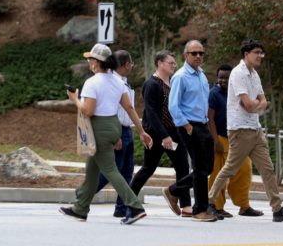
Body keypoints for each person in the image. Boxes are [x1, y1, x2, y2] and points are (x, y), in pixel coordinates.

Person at [59, 44, 152, 224]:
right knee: (92, 170)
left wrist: (74, 99)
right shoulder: (118, 81)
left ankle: (134, 207)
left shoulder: (92, 82)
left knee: (110, 170)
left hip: (98, 128)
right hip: (113, 125)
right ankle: (80, 208)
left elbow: (88, 111)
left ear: (96, 62)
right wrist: (141, 131)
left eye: (90, 59)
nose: (88, 62)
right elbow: (129, 108)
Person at [206, 41, 283, 222]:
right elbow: (248, 104)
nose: (260, 56)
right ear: (246, 54)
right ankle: (209, 203)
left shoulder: (254, 75)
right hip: (240, 130)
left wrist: (257, 105)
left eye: (262, 53)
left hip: (255, 129)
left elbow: (260, 101)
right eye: (257, 52)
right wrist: (258, 105)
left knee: (267, 169)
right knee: (230, 168)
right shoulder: (238, 74)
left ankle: (277, 209)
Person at [128, 50, 192, 217]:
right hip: (157, 134)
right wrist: (164, 136)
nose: (174, 65)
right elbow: (152, 113)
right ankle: (128, 201)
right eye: (170, 62)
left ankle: (186, 206)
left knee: (183, 167)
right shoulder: (152, 84)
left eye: (174, 63)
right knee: (148, 168)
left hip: (174, 132)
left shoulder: (172, 82)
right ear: (160, 63)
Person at [166, 40, 217, 222]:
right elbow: (173, 106)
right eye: (194, 53)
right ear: (185, 55)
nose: (198, 56)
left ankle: (174, 190)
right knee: (200, 169)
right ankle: (199, 210)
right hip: (189, 126)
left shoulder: (202, 75)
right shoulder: (180, 76)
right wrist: (187, 126)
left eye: (201, 53)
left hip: (203, 125)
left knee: (208, 167)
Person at [206, 64, 255, 219]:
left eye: (226, 77)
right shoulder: (214, 94)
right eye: (220, 77)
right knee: (218, 173)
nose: (223, 80)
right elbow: (210, 119)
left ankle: (243, 206)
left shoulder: (239, 94)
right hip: (220, 138)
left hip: (238, 138)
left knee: (245, 169)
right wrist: (215, 141)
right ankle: (215, 206)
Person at [94, 50, 136, 218]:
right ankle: (84, 194)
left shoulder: (123, 82)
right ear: (126, 65)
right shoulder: (113, 83)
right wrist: (116, 135)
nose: (132, 67)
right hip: (118, 130)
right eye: (131, 64)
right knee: (112, 171)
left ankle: (121, 207)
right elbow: (110, 110)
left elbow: (129, 109)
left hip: (127, 130)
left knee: (127, 171)